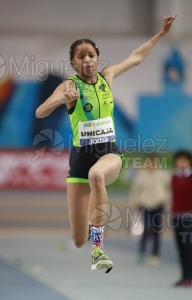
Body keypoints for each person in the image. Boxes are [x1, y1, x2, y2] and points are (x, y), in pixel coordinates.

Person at [35, 15, 177, 273]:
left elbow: (136, 57)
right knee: (78, 240)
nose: (87, 59)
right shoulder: (69, 85)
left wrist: (160, 34)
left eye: (91, 55)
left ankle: (98, 250)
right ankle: (89, 237)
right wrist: (60, 100)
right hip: (79, 160)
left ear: (97, 58)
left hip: (108, 153)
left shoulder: (107, 77)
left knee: (97, 175)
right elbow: (40, 112)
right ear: (74, 62)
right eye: (81, 56)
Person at [129, 155, 171, 265]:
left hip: (158, 204)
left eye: (153, 162)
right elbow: (136, 189)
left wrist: (165, 199)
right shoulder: (141, 174)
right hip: (145, 204)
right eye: (149, 162)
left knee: (157, 230)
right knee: (146, 229)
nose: (151, 164)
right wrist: (136, 201)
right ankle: (142, 252)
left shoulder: (162, 173)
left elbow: (169, 187)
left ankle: (155, 254)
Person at [171, 150, 192, 287]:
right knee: (180, 247)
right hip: (176, 216)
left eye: (184, 160)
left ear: (190, 162)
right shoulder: (175, 177)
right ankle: (183, 276)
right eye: (179, 160)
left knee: (188, 245)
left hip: (191, 216)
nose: (181, 163)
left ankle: (190, 277)